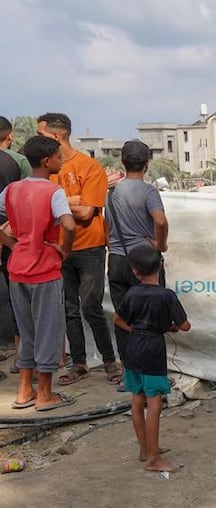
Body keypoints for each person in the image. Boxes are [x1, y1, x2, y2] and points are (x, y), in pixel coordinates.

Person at [37, 113, 118, 386]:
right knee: (69, 308)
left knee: (92, 306)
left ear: (56, 136)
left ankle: (109, 361)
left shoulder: (90, 167)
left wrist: (57, 200)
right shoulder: (46, 169)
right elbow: (43, 205)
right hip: (59, 248)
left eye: (42, 135)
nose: (38, 140)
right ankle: (80, 363)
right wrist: (71, 199)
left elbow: (85, 212)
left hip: (90, 246)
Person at [0, 136, 78, 412]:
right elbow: (68, 225)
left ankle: (24, 391)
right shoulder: (52, 192)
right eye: (58, 157)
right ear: (46, 161)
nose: (61, 160)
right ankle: (45, 393)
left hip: (17, 267)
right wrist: (64, 250)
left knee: (27, 329)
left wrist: (11, 243)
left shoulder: (12, 190)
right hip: (44, 268)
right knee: (48, 330)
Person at [113, 245, 189, 472]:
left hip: (133, 348)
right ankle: (154, 459)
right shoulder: (166, 295)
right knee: (154, 403)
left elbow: (118, 319)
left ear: (135, 272)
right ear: (161, 266)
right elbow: (184, 325)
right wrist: (169, 327)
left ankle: (145, 448)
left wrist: (135, 329)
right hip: (153, 350)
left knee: (137, 398)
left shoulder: (131, 293)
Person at [106, 140, 169, 369]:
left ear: (123, 162)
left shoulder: (111, 193)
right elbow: (160, 221)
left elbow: (108, 229)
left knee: (122, 316)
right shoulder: (148, 191)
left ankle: (128, 369)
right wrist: (160, 245)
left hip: (116, 260)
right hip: (143, 260)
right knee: (151, 317)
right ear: (146, 165)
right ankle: (152, 368)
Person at [1, 116, 31, 369]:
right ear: (10, 136)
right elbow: (27, 200)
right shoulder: (18, 162)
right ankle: (22, 356)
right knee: (19, 298)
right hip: (13, 239)